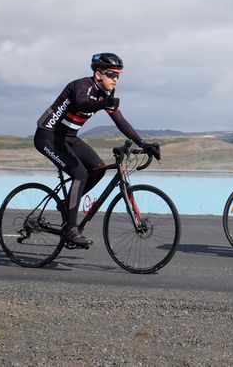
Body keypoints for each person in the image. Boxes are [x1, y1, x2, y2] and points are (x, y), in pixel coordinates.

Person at [34, 53, 161, 248]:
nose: (116, 80)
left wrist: (143, 143)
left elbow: (120, 121)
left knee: (98, 168)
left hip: (69, 138)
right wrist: (103, 103)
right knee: (80, 174)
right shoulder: (81, 86)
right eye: (112, 75)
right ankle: (71, 230)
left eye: (119, 76)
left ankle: (69, 207)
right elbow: (81, 103)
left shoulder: (106, 95)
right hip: (47, 136)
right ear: (98, 74)